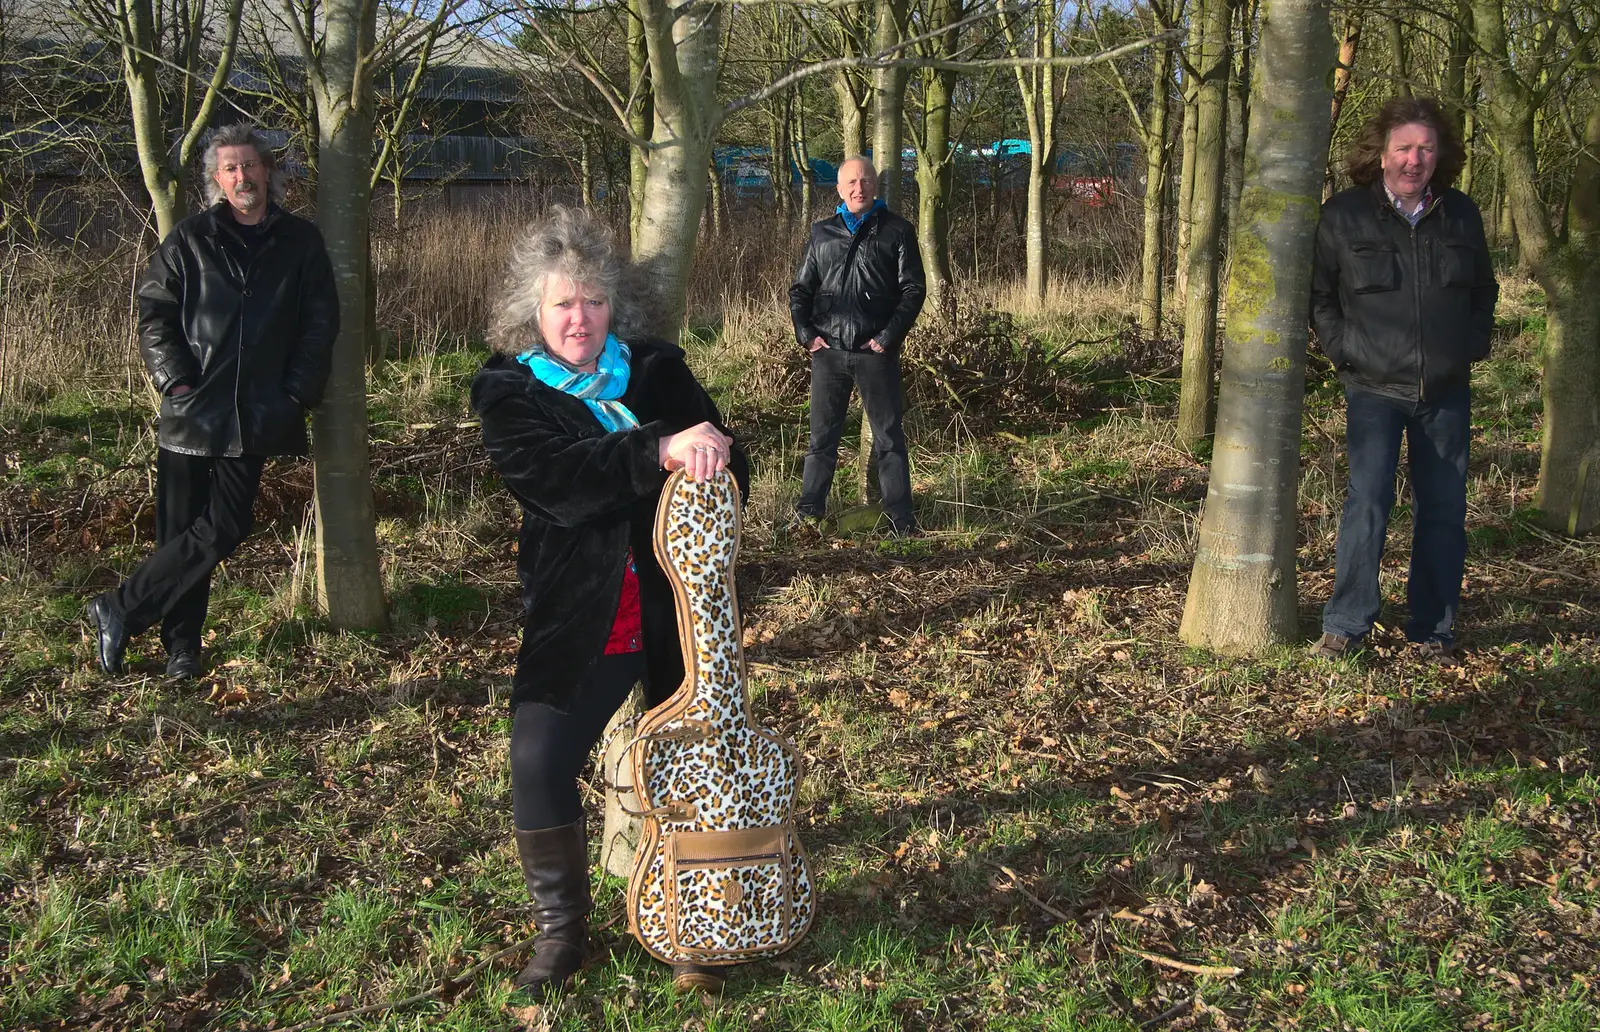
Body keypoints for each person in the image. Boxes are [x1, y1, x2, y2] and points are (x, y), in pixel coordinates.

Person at [470, 207, 750, 998]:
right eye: (562, 303)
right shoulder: (509, 388)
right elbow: (552, 481)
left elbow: (734, 464)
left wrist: (716, 455)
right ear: (534, 310)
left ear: (613, 306)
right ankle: (563, 934)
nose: (578, 318)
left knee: (695, 767)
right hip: (584, 611)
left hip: (684, 613)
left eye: (593, 301)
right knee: (537, 756)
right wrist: (655, 448)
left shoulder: (657, 369)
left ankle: (692, 915)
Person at [85, 123, 338, 679]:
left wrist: (295, 392)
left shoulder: (301, 242)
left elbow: (320, 325)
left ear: (269, 170)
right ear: (216, 179)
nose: (242, 176)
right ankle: (182, 650)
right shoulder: (190, 239)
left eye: (250, 165)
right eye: (230, 168)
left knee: (225, 524)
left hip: (255, 414)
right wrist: (175, 380)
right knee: (179, 533)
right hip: (189, 411)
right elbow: (155, 312)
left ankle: (120, 607)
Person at [1309, 97, 1498, 665]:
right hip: (1373, 388)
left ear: (1440, 155)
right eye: (1404, 148)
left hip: (1445, 392)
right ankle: (1346, 624)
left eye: (1426, 148)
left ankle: (1433, 630)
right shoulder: (1344, 215)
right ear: (1380, 154)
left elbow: (1483, 292)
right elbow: (1320, 298)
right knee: (1366, 504)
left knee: (1443, 511)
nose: (1415, 159)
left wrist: (1469, 348)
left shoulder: (1462, 213)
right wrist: (1346, 355)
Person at [788, 155, 926, 535]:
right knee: (821, 441)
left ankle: (902, 520)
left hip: (875, 354)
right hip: (828, 352)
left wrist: (888, 337)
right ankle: (808, 514)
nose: (858, 188)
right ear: (839, 188)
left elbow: (913, 289)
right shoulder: (822, 233)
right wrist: (805, 332)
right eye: (851, 182)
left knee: (889, 440)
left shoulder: (897, 231)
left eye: (865, 180)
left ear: (875, 186)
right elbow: (801, 289)